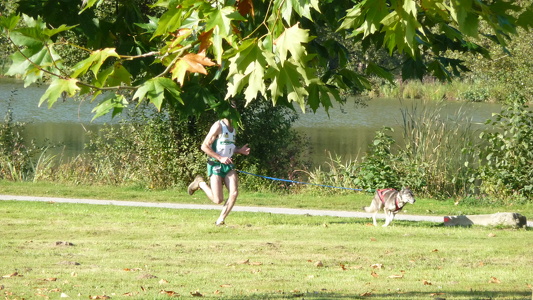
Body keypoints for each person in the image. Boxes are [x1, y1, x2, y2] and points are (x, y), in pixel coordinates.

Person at [187, 118, 250, 225]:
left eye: (235, 106)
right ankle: (200, 183)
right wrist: (220, 158)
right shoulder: (218, 126)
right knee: (218, 200)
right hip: (215, 163)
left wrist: (239, 150)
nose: (234, 109)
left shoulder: (234, 126)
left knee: (234, 193)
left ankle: (220, 220)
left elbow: (228, 146)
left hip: (228, 165)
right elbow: (204, 146)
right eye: (231, 106)